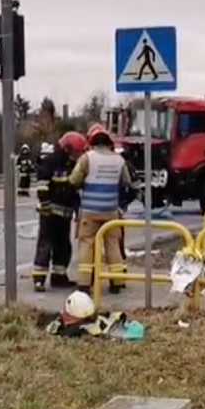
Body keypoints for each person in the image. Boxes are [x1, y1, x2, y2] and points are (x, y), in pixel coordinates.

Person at [69, 124, 132, 294]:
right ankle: (117, 281)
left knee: (87, 244)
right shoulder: (119, 160)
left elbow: (74, 180)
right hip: (111, 211)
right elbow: (127, 182)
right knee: (112, 244)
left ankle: (84, 283)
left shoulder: (86, 158)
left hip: (90, 211)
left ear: (92, 142)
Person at [32, 132, 87, 292]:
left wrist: (77, 210)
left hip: (65, 214)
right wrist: (45, 204)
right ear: (67, 149)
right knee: (45, 245)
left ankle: (59, 276)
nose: (79, 155)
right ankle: (39, 279)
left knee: (63, 246)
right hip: (49, 213)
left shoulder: (73, 166)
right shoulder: (51, 162)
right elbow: (43, 185)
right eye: (77, 152)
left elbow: (74, 190)